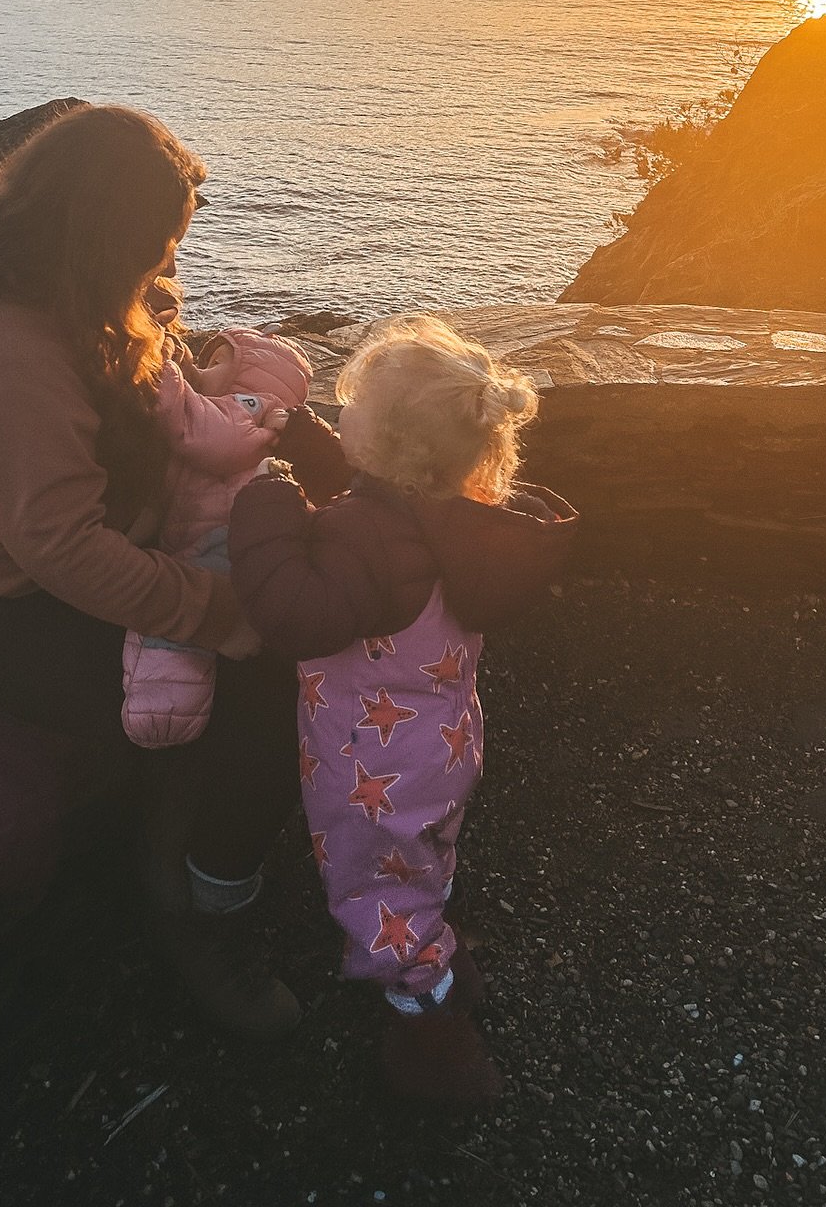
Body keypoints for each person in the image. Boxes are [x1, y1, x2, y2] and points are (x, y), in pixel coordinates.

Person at [0, 103, 349, 1039]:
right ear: (97, 235)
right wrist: (213, 611)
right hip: (25, 621)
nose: (167, 269)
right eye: (157, 246)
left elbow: (171, 418)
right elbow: (59, 548)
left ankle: (202, 862)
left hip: (116, 569)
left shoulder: (89, 302)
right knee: (262, 679)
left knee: (303, 611)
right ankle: (191, 920)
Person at [227, 315, 579, 1104]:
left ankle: (436, 1041)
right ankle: (447, 954)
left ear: (386, 446)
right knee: (423, 859)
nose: (340, 413)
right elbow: (373, 510)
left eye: (350, 408)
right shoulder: (456, 518)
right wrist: (314, 445)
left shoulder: (360, 537)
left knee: (377, 897)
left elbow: (295, 612)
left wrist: (266, 510)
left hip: (369, 774)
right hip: (440, 748)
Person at [122, 327, 313, 748]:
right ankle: (162, 708)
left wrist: (164, 362)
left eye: (217, 361)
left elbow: (198, 429)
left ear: (248, 375)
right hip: (204, 534)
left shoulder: (250, 407)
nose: (202, 368)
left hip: (217, 538)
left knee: (171, 629)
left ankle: (162, 716)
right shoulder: (239, 411)